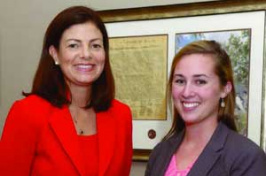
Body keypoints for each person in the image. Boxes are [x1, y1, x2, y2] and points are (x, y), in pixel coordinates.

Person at [0, 6, 132, 176]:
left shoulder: (121, 116)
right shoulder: (27, 113)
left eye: (95, 46)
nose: (86, 54)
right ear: (55, 54)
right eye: (73, 45)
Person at [145, 40, 266, 176]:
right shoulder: (159, 153)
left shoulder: (246, 157)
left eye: (200, 81)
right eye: (180, 81)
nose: (186, 92)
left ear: (225, 89)